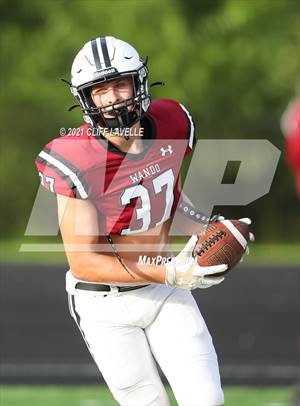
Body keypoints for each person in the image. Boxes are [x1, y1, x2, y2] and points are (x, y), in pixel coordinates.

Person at [36, 36, 252, 406]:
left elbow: (166, 196)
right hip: (104, 303)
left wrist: (206, 227)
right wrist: (167, 271)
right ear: (86, 99)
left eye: (120, 84)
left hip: (165, 292)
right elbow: (84, 261)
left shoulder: (172, 123)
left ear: (139, 82)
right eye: (101, 91)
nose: (114, 98)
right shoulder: (77, 157)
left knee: (207, 400)